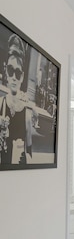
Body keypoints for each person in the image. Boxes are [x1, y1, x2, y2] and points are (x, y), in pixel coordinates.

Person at [0, 33, 33, 164]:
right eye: (10, 70)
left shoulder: (27, 114)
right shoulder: (1, 104)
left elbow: (30, 155)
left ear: (22, 77)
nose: (14, 77)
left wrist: (25, 158)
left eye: (18, 73)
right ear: (5, 70)